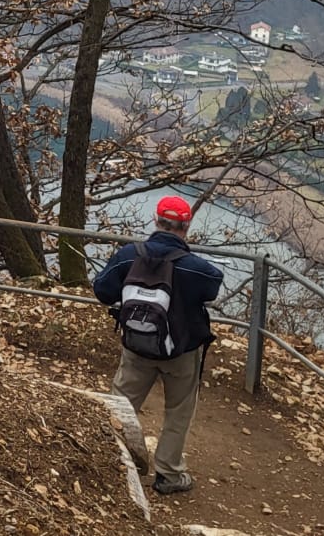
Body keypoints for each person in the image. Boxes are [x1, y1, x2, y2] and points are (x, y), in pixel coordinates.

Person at [93, 196, 225, 496]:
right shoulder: (195, 268)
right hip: (181, 351)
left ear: (156, 220)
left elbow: (102, 290)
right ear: (186, 227)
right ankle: (169, 474)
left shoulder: (128, 256)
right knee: (178, 411)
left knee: (121, 404)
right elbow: (213, 285)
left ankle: (112, 461)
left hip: (136, 347)